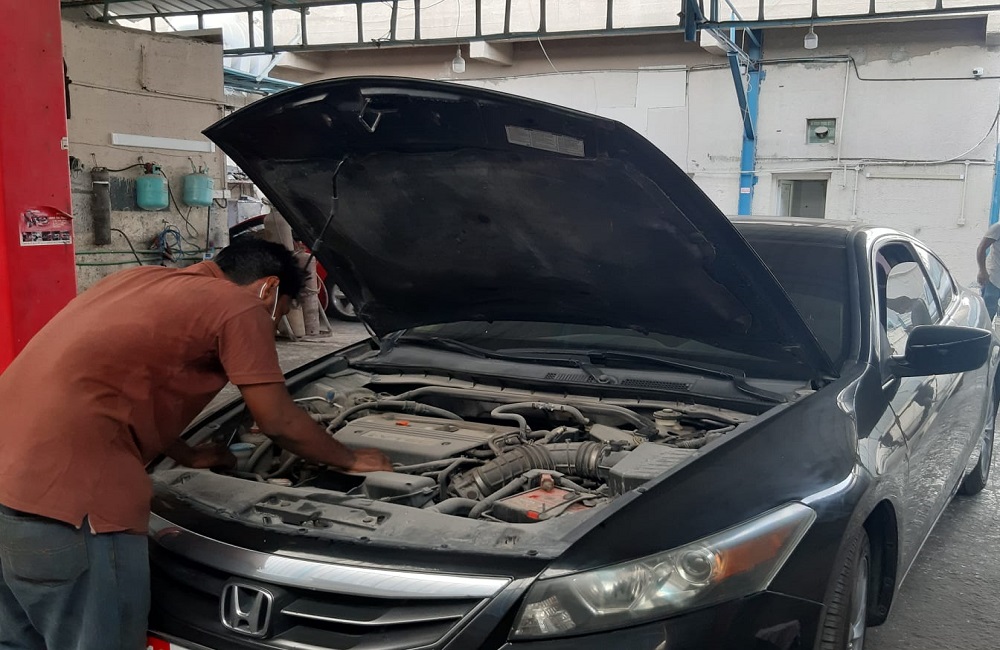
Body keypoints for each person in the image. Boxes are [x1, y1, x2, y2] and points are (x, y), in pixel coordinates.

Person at [0, 237, 391, 650]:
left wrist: (188, 454)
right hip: (75, 509)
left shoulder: (138, 280)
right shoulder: (239, 306)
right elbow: (277, 420)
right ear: (269, 288)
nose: (274, 325)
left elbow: (120, 385)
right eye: (281, 314)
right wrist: (350, 459)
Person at [976, 222, 1000, 319]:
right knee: (987, 313)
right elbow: (981, 248)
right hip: (994, 278)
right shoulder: (998, 227)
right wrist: (982, 270)